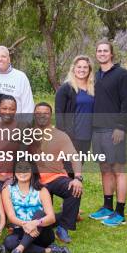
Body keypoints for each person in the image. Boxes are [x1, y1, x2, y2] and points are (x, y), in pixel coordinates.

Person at [89, 39, 127, 227]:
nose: (102, 53)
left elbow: (126, 102)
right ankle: (107, 207)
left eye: (105, 51)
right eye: (99, 51)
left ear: (111, 53)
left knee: (118, 171)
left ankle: (120, 213)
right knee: (104, 169)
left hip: (113, 130)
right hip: (97, 130)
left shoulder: (122, 75)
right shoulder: (95, 75)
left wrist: (120, 127)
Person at [2, 161, 72, 253]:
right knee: (9, 242)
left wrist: (35, 223)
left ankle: (18, 251)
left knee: (39, 213)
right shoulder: (8, 190)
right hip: (21, 229)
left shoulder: (42, 190)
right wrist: (26, 224)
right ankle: (49, 251)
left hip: (42, 232)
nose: (22, 172)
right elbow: (11, 217)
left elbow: (51, 218)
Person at [30, 102, 82, 243]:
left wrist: (77, 178)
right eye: (39, 112)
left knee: (73, 189)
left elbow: (74, 157)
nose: (42, 115)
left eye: (45, 113)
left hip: (55, 177)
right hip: (35, 180)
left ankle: (63, 227)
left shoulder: (60, 135)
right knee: (39, 216)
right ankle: (70, 214)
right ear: (34, 115)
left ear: (50, 115)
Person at [55, 55, 96, 160]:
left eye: (85, 67)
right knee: (68, 168)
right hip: (71, 136)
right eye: (79, 67)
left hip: (86, 136)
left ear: (89, 70)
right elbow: (59, 114)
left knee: (78, 168)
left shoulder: (93, 89)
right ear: (73, 68)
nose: (82, 70)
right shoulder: (65, 89)